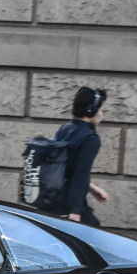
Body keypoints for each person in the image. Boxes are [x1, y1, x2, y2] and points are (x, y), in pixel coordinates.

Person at [48, 86, 110, 226]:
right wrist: (75, 212)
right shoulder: (90, 138)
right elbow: (80, 174)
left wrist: (92, 189)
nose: (101, 113)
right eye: (100, 109)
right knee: (92, 234)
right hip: (68, 203)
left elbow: (66, 168)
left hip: (52, 199)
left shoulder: (65, 129)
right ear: (91, 110)